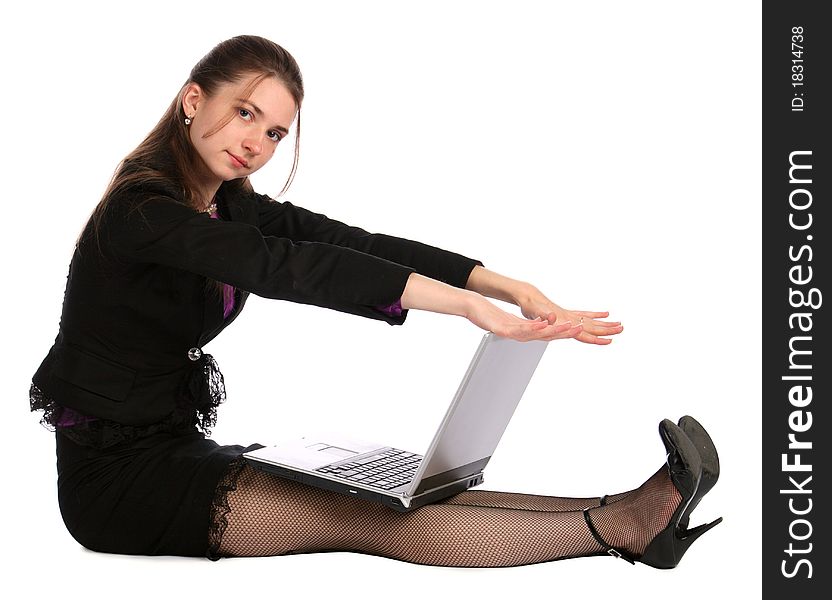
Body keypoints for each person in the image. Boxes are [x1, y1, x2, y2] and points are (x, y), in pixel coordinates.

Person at [30, 34, 721, 568]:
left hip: (175, 451)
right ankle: (629, 527)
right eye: (245, 113)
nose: (257, 143)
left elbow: (349, 243)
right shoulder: (141, 211)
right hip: (115, 488)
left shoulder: (226, 207)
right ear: (192, 101)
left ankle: (629, 513)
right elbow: (290, 268)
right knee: (370, 519)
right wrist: (464, 309)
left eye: (273, 131)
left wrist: (499, 284)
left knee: (393, 492)